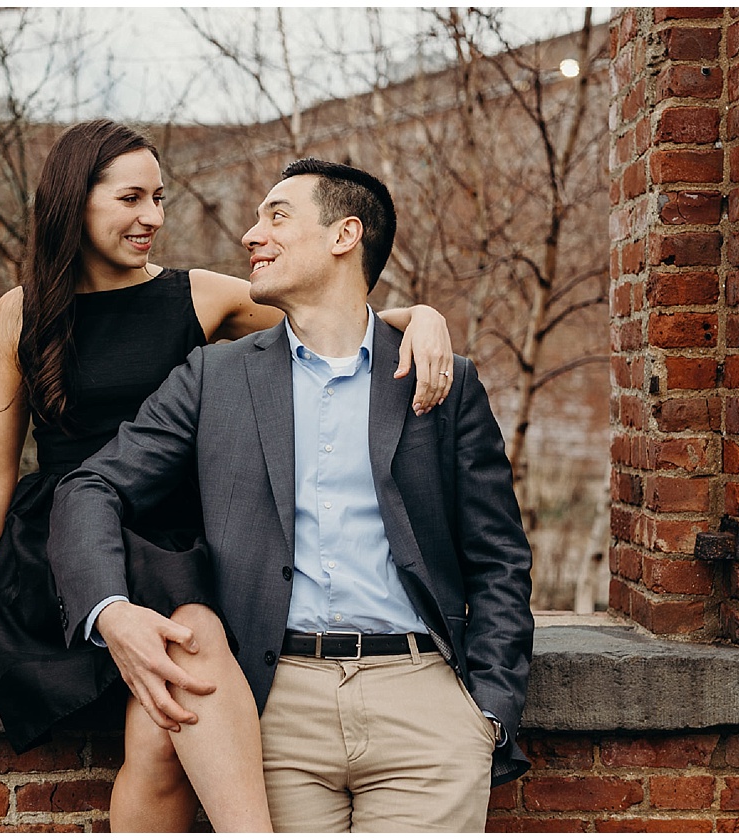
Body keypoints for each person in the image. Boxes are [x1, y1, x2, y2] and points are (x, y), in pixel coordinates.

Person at [0, 121, 459, 832]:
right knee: (188, 647)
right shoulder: (23, 312)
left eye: (159, 198)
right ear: (75, 200)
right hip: (66, 544)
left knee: (162, 724)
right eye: (131, 198)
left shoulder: (199, 296)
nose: (152, 219)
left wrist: (425, 317)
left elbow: (330, 313)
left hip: (175, 540)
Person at [51, 158, 534, 832]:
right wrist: (109, 610)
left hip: (424, 701)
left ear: (343, 236)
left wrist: (488, 711)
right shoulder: (214, 377)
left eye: (277, 216)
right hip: (273, 705)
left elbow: (500, 560)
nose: (252, 235)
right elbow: (91, 485)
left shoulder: (439, 379)